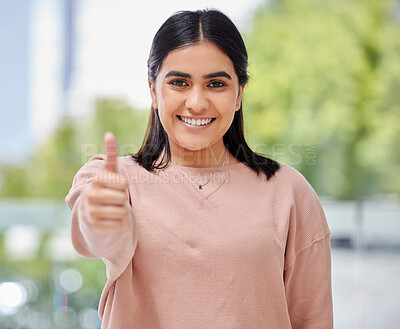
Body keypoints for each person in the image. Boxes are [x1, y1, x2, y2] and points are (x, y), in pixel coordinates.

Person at [66, 8, 333, 329]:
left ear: (239, 95)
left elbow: (313, 319)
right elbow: (95, 235)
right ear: (153, 90)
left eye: (216, 84)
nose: (196, 102)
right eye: (179, 82)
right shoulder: (112, 179)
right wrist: (100, 214)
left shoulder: (289, 191)